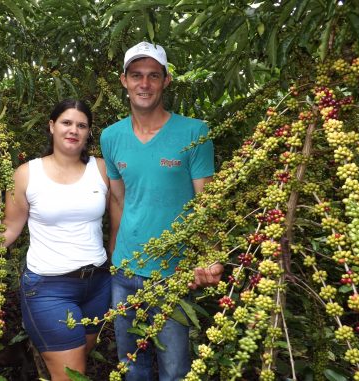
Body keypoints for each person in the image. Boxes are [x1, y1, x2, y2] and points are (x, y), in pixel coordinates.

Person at [99, 41, 224, 381]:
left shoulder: (194, 132)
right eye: (136, 75)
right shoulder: (111, 137)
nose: (145, 84)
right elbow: (118, 200)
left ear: (166, 81)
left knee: (175, 369)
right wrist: (114, 256)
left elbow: (207, 202)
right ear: (123, 80)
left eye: (153, 76)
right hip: (125, 272)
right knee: (131, 366)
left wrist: (210, 254)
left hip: (172, 272)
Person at [0, 99, 111, 381]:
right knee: (73, 376)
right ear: (51, 126)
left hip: (98, 285)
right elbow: (8, 229)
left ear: (88, 133)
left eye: (81, 125)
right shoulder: (27, 173)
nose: (73, 130)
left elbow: (124, 213)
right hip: (49, 288)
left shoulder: (102, 170)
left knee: (74, 365)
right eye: (66, 123)